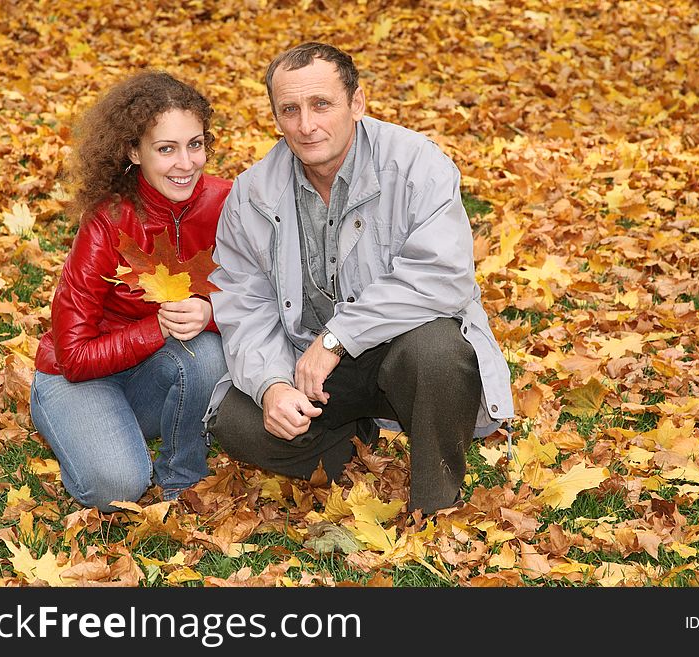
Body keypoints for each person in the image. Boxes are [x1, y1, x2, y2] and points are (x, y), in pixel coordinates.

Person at [204, 42, 514, 515]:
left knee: (439, 352)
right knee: (235, 420)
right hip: (311, 368)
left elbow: (443, 276)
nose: (306, 125)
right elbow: (245, 306)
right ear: (275, 117)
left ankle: (436, 504)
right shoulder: (252, 195)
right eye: (290, 109)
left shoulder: (416, 164)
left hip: (401, 349)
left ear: (357, 103)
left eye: (321, 104)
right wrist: (272, 386)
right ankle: (348, 437)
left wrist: (337, 339)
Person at [30, 70, 232, 512]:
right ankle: (78, 430)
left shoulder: (228, 204)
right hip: (78, 378)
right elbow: (74, 357)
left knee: (209, 350)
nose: (186, 163)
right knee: (118, 487)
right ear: (133, 151)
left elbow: (265, 296)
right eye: (166, 149)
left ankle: (182, 478)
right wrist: (156, 328)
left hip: (154, 375)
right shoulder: (108, 220)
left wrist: (211, 313)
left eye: (195, 144)